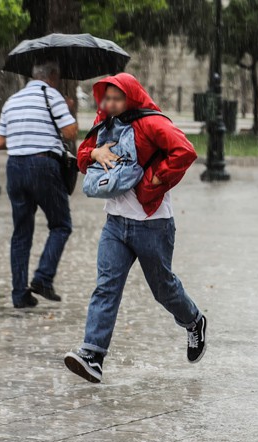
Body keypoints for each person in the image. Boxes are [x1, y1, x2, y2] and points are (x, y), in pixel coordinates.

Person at [63, 73, 205, 383]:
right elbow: (82, 157)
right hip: (115, 222)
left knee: (163, 289)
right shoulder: (105, 123)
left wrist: (155, 179)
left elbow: (185, 151)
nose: (110, 104)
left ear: (131, 97)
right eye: (106, 98)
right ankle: (93, 355)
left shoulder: (152, 123)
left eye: (116, 98)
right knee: (106, 286)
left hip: (152, 225)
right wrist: (95, 153)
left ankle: (193, 321)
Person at [0, 61, 78, 309]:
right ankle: (43, 278)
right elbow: (71, 133)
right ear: (52, 75)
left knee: (21, 233)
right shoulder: (52, 96)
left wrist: (24, 140)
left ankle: (20, 294)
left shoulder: (13, 100)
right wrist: (69, 109)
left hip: (15, 168)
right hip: (43, 166)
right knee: (61, 225)